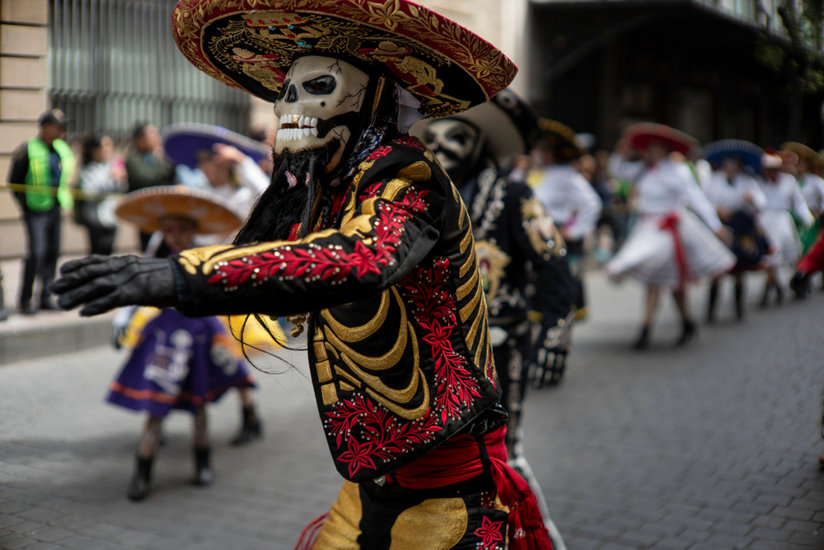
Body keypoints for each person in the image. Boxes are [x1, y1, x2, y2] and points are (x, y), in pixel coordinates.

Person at [54, 1, 552, 548]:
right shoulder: (338, 190)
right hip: (369, 483)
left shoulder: (410, 179)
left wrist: (180, 276)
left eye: (316, 87)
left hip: (448, 492)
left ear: (378, 101)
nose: (290, 108)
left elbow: (362, 258)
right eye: (285, 93)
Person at [416, 89, 574, 549]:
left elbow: (556, 265)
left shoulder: (512, 195)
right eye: (434, 136)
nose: (441, 146)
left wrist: (554, 338)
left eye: (456, 136)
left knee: (502, 455)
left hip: (498, 350)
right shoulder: (415, 199)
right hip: (429, 354)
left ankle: (532, 541)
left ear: (480, 144)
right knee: (437, 459)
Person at [105, 185, 258, 501]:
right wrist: (121, 320)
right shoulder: (156, 259)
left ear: (193, 231)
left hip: (200, 335)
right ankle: (142, 472)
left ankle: (203, 464)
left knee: (199, 406)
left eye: (183, 229)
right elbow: (136, 288)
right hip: (166, 339)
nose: (175, 235)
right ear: (163, 230)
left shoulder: (205, 256)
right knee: (156, 409)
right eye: (170, 229)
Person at [606, 123, 734, 349]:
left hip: (670, 230)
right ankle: (658, 326)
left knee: (672, 284)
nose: (652, 152)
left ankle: (665, 325)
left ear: (665, 150)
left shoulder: (678, 170)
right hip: (648, 227)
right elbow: (618, 171)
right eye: (650, 148)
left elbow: (696, 199)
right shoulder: (643, 169)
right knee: (659, 281)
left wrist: (715, 226)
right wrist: (621, 152)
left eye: (657, 148)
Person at [533, 119, 602, 320]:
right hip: (536, 235)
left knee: (559, 287)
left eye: (544, 150)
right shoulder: (537, 173)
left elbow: (592, 204)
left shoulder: (566, 175)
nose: (539, 154)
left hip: (555, 235)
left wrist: (573, 231)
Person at [8, 109, 75, 315]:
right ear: (46, 128)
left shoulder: (62, 149)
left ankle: (45, 296)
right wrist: (25, 205)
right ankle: (26, 298)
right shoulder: (27, 149)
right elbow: (15, 182)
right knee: (36, 253)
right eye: (58, 127)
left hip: (55, 207)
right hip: (35, 209)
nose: (62, 131)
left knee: (53, 253)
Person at [701, 140, 770, 322]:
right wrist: (716, 209)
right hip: (719, 226)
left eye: (735, 163)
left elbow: (761, 202)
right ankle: (711, 310)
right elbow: (702, 202)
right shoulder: (712, 181)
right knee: (716, 269)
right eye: (728, 162)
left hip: (740, 227)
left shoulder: (747, 182)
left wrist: (752, 198)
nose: (731, 166)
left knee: (739, 267)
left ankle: (738, 307)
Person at [758, 149, 814, 306]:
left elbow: (799, 202)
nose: (771, 172)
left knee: (793, 253)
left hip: (783, 219)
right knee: (770, 256)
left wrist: (808, 219)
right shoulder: (760, 182)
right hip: (766, 221)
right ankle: (772, 287)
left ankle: (800, 280)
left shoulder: (788, 181)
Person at [125, 123, 176, 250]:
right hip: (146, 214)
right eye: (153, 135)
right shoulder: (133, 158)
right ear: (140, 139)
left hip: (167, 212)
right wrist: (165, 165)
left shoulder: (160, 156)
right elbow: (145, 178)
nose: (157, 138)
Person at [75, 135, 127, 255]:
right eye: (105, 146)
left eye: (110, 146)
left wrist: (121, 179)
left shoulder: (111, 165)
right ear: (95, 149)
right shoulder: (87, 169)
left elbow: (121, 190)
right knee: (96, 254)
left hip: (111, 217)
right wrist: (112, 179)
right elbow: (89, 192)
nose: (108, 150)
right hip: (95, 218)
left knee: (109, 254)